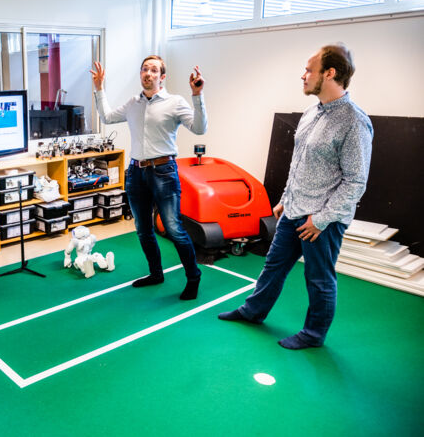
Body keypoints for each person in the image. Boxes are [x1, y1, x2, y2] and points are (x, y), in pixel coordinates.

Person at [218, 44, 373, 350]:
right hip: (294, 210)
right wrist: (285, 199)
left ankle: (314, 334)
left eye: (309, 70)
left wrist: (321, 219)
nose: (303, 76)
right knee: (273, 266)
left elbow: (356, 182)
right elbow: (299, 162)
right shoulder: (311, 112)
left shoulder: (354, 122)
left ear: (330, 73)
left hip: (321, 221)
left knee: (319, 279)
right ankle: (253, 311)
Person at [91, 56, 207, 300]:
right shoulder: (134, 103)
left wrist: (197, 96)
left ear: (162, 77)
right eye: (145, 69)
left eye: (154, 70)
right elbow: (108, 117)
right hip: (135, 172)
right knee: (143, 230)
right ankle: (156, 274)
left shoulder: (175, 102)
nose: (148, 73)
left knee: (174, 229)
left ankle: (193, 277)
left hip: (164, 172)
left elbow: (199, 128)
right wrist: (99, 88)